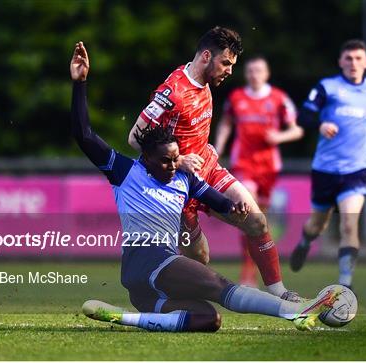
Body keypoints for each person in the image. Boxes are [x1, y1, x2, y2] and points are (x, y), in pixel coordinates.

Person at [70, 41, 342, 332]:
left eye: (176, 159)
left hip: (146, 291)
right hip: (147, 261)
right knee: (218, 284)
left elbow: (220, 201)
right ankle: (295, 311)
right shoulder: (125, 171)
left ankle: (122, 317)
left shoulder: (184, 178)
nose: (173, 165)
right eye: (165, 160)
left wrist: (234, 207)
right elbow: (84, 135)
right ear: (146, 157)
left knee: (208, 319)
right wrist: (80, 83)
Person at [127, 27, 300, 302]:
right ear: (206, 56)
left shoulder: (206, 82)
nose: (230, 71)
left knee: (256, 222)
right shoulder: (171, 93)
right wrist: (179, 160)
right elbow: (134, 138)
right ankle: (164, 299)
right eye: (226, 63)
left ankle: (281, 293)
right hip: (178, 188)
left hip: (208, 170)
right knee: (200, 257)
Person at [289, 39, 366, 289]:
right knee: (317, 225)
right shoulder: (328, 87)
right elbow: (303, 116)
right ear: (340, 62)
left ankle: (346, 284)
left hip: (356, 170)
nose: (353, 63)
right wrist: (320, 124)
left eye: (358, 58)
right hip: (325, 168)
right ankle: (305, 242)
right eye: (348, 58)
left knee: (349, 222)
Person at [214, 56, 304, 287]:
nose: (254, 74)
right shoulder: (236, 98)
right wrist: (219, 146)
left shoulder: (278, 99)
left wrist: (279, 136)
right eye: (251, 70)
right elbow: (226, 123)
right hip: (244, 163)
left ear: (267, 73)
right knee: (249, 207)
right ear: (246, 74)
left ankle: (256, 269)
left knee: (258, 220)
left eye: (259, 70)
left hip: (269, 167)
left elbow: (297, 131)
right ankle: (247, 273)